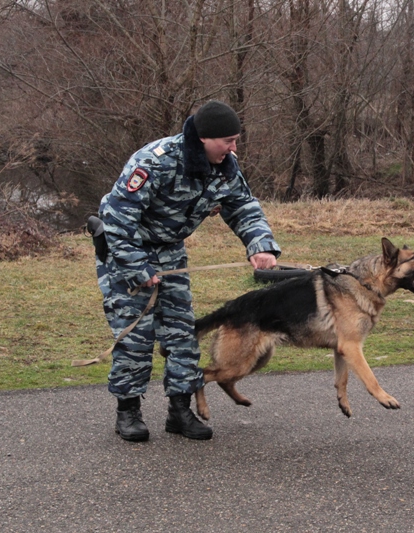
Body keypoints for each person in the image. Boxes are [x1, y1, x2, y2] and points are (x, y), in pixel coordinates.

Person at [95, 100, 281, 442]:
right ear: (204, 139)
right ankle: (128, 412)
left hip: (170, 252)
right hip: (126, 251)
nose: (234, 147)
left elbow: (242, 205)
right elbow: (117, 218)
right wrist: (137, 266)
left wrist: (261, 246)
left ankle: (179, 411)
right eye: (228, 141)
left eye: (236, 140)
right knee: (136, 338)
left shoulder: (224, 164)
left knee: (182, 332)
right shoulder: (154, 161)